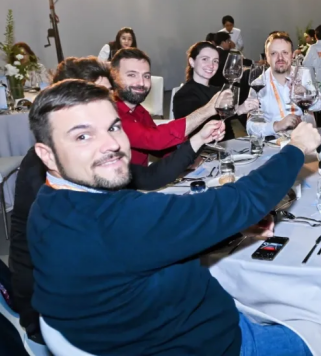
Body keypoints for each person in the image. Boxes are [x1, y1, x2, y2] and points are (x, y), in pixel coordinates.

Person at [26, 80, 321, 355]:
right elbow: (242, 200)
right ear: (47, 155)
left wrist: (231, 231)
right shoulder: (120, 220)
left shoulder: (47, 204)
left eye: (114, 127)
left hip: (144, 330)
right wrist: (296, 149)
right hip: (212, 343)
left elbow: (141, 250)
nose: (110, 144)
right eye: (83, 136)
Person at [9, 57, 220, 345]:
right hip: (56, 316)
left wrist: (197, 140)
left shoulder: (92, 157)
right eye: (95, 95)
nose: (108, 105)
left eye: (108, 94)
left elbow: (148, 177)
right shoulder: (51, 169)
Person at [111, 48, 224, 165]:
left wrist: (198, 145)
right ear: (113, 77)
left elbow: (163, 150)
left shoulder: (139, 111)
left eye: (146, 76)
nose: (141, 83)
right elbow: (154, 140)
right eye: (132, 75)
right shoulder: (111, 114)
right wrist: (208, 109)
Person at [245, 32, 321, 138]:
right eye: (274, 53)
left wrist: (306, 94)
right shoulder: (258, 84)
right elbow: (250, 127)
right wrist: (277, 125)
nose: (280, 58)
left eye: (285, 52)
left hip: (304, 139)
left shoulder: (303, 74)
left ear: (292, 55)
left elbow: (320, 105)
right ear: (267, 57)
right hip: (274, 142)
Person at [173, 42, 258, 140]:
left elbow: (226, 122)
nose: (211, 65)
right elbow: (191, 126)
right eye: (205, 59)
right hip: (203, 147)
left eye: (215, 61)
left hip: (226, 144)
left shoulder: (217, 90)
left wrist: (241, 109)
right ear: (192, 62)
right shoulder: (183, 95)